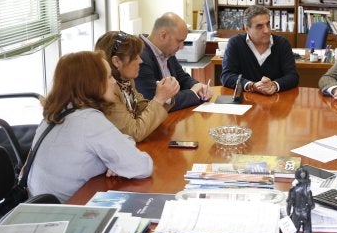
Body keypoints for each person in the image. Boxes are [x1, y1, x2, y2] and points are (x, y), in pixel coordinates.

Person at [27, 51, 153, 202]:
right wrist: (116, 160)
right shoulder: (89, 120)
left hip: (37, 207)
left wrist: (115, 159)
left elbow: (117, 143)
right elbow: (142, 166)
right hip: (66, 212)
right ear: (91, 83)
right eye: (108, 77)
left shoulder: (56, 114)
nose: (114, 82)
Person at [95, 31, 179, 142]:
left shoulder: (126, 80)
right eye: (135, 57)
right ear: (116, 61)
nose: (140, 60)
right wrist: (159, 98)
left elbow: (141, 109)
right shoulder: (107, 91)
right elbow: (134, 132)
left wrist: (166, 96)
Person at [135, 12, 213, 111]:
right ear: (163, 35)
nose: (182, 47)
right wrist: (193, 93)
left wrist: (198, 86)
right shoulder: (140, 58)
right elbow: (157, 100)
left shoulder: (167, 51)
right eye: (179, 41)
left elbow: (182, 77)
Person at [221, 5, 299, 95]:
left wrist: (273, 85)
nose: (266, 30)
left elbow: (293, 77)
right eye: (259, 26)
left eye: (268, 24)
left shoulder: (282, 44)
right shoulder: (235, 43)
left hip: (276, 101)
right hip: (246, 101)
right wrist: (252, 86)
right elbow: (227, 76)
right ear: (247, 28)